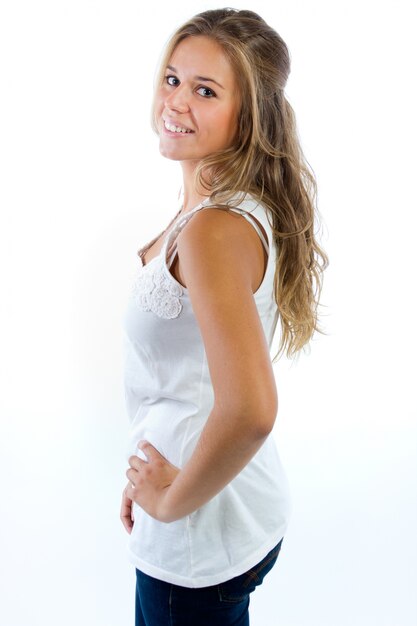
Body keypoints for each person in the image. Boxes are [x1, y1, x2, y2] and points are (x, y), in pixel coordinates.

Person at [120, 8, 328, 625]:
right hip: (216, 511)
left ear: (249, 117)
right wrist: (145, 479)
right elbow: (188, 382)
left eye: (205, 90)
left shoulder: (214, 229)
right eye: (174, 78)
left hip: (198, 534)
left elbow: (251, 410)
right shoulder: (220, 209)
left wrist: (170, 501)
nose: (176, 101)